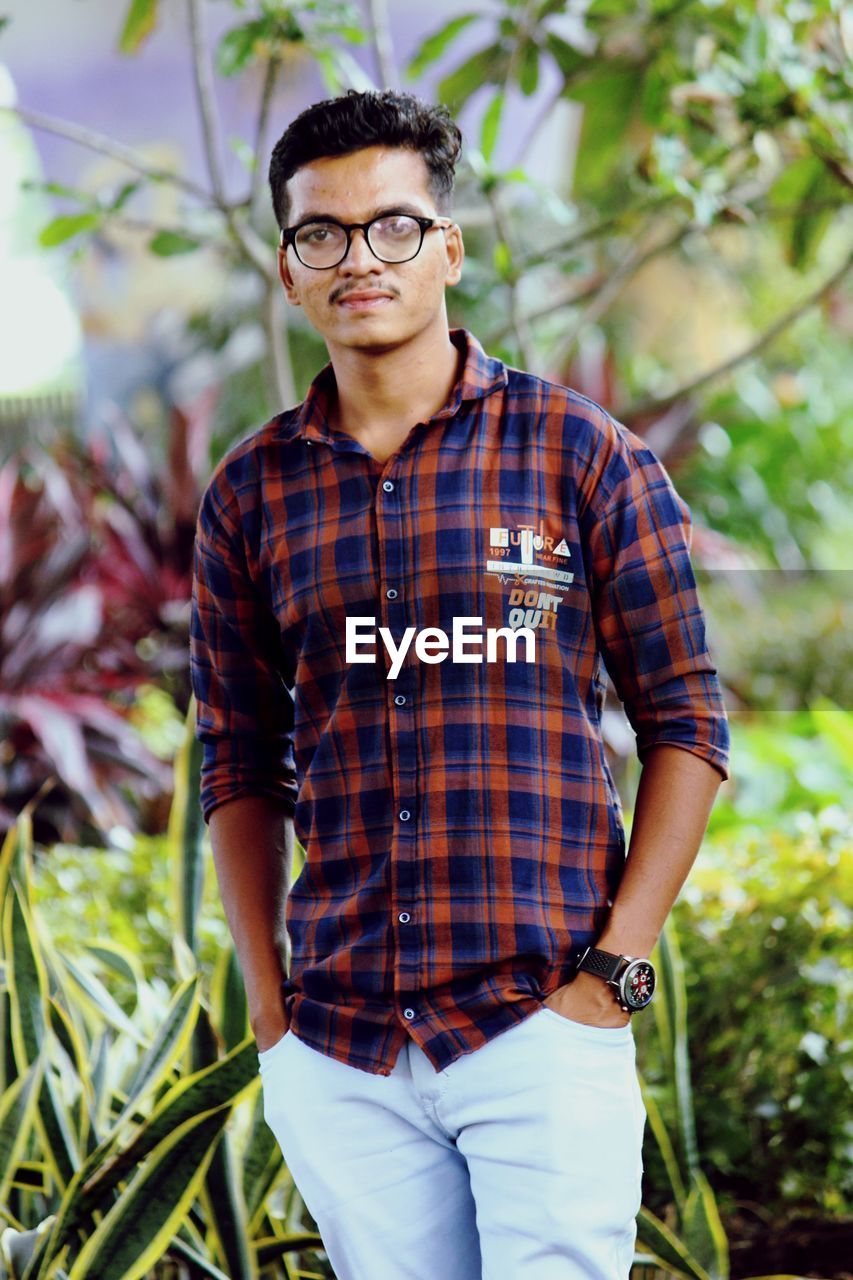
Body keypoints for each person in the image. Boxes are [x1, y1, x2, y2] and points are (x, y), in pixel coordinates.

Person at [189, 89, 731, 1280]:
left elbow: (687, 725)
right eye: (320, 234)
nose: (357, 258)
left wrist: (615, 970)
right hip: (341, 1046)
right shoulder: (250, 493)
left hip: (539, 1013)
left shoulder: (581, 454)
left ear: (449, 247)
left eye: (391, 226)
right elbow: (236, 756)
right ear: (288, 269)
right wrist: (269, 1008)